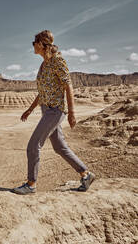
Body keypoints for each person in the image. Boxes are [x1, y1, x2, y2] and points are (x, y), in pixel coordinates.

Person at [12, 30, 95, 195]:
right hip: (46, 110)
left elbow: (68, 85)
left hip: (55, 111)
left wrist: (72, 113)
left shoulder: (58, 60)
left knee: (33, 145)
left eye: (34, 42)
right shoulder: (43, 64)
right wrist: (30, 109)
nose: (32, 45)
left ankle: (31, 184)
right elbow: (43, 92)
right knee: (60, 147)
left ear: (41, 44)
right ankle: (85, 174)